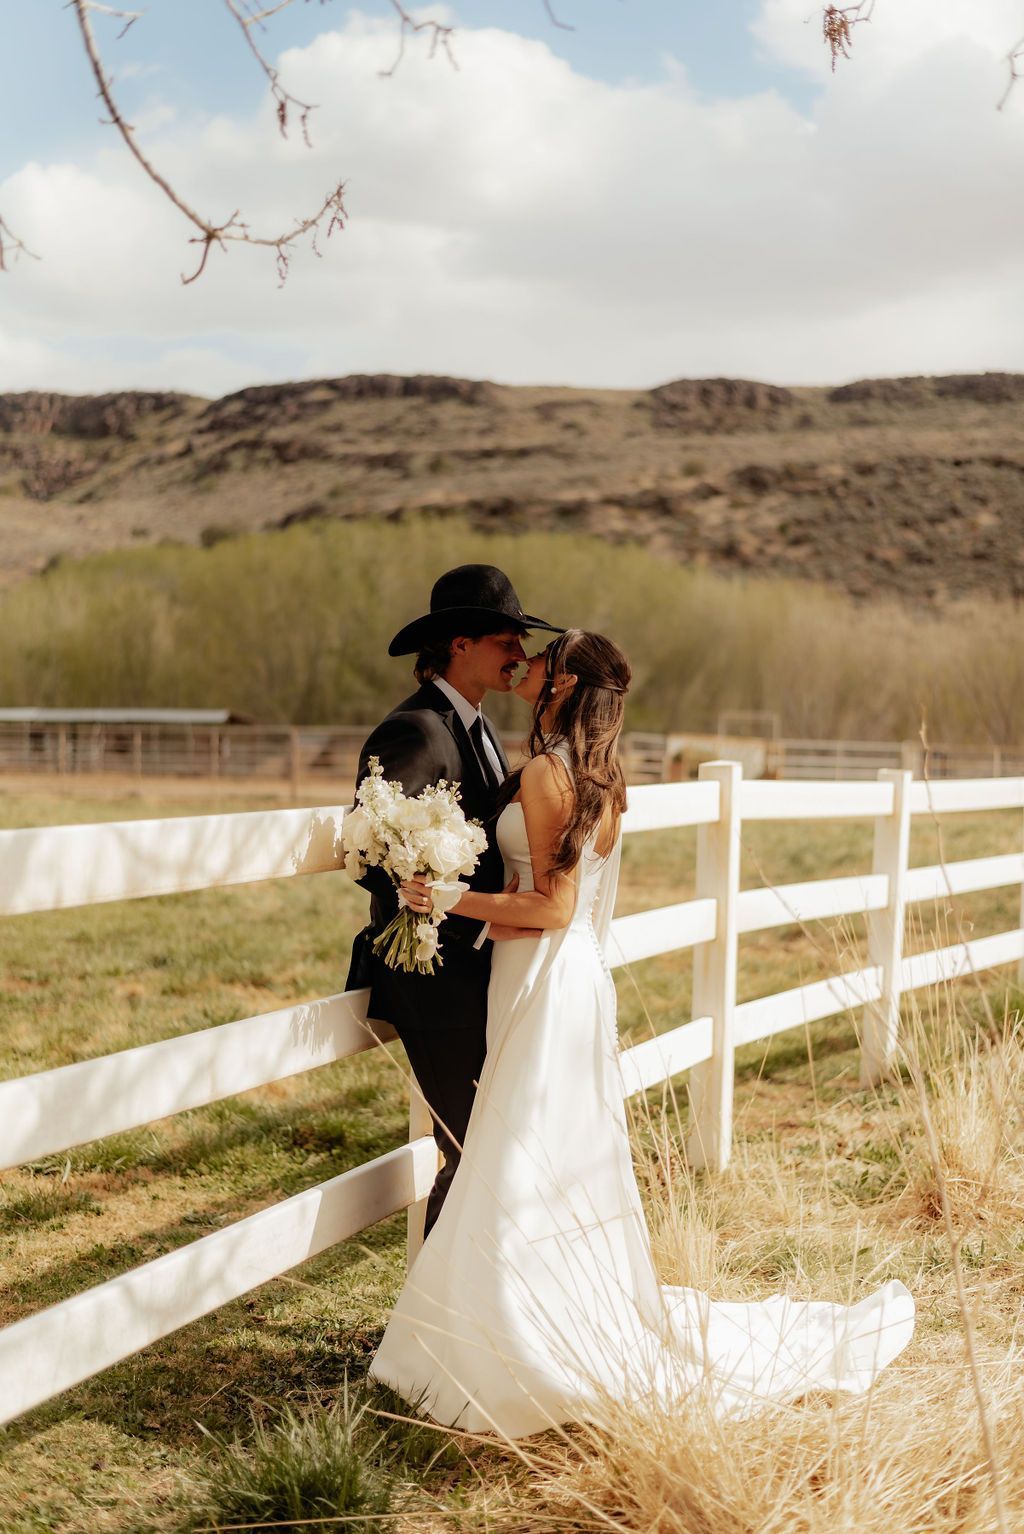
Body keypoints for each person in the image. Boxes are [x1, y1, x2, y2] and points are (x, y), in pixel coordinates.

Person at [368, 628, 916, 1438]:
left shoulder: (553, 775)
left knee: (519, 1151)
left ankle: (513, 1338)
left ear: (564, 686)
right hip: (563, 975)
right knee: (538, 1154)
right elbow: (565, 908)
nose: (529, 662)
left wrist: (445, 900)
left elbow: (551, 909)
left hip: (549, 983)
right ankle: (515, 1315)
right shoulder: (593, 774)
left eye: (545, 660)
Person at [345, 563, 563, 1237]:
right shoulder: (415, 731)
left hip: (480, 969)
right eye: (505, 640)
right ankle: (431, 1321)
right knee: (474, 1150)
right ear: (458, 645)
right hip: (432, 975)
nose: (520, 655)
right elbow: (378, 851)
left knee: (494, 1145)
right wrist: (442, 905)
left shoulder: (479, 729)